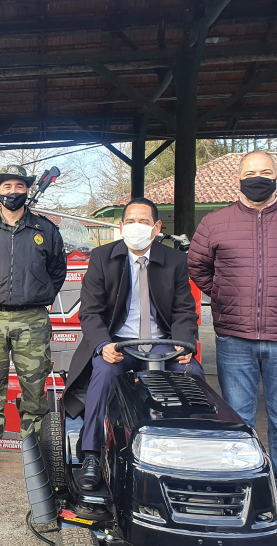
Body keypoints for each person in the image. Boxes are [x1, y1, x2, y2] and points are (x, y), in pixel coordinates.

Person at [189, 151, 277, 525]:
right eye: (251, 172)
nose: (258, 178)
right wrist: (224, 294)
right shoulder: (216, 222)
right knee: (239, 418)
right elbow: (198, 267)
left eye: (266, 171)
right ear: (238, 179)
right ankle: (244, 483)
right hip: (235, 337)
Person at [65, 197, 202, 490]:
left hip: (163, 343)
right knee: (102, 372)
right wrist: (103, 344)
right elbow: (90, 312)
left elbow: (184, 311)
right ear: (121, 226)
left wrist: (183, 343)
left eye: (143, 221)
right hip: (120, 344)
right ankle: (91, 453)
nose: (136, 227)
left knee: (193, 376)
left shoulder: (175, 261)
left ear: (156, 228)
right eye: (130, 221)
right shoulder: (103, 258)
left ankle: (193, 456)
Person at [0, 164, 67, 483]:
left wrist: (40, 293)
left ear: (27, 190)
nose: (12, 192)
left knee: (34, 390)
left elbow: (57, 271)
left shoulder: (45, 229)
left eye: (18, 186)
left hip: (32, 317)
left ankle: (35, 455)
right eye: (6, 187)